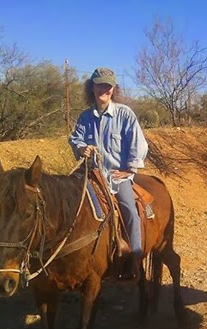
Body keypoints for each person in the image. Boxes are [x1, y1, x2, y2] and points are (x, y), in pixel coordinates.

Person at [69, 67, 148, 278]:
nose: (103, 89)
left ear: (113, 89)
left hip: (115, 176)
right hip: (91, 174)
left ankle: (135, 258)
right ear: (92, 87)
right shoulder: (85, 117)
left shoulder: (124, 113)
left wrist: (129, 169)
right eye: (99, 85)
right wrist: (80, 148)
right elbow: (75, 138)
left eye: (107, 86)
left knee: (129, 208)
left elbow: (137, 143)